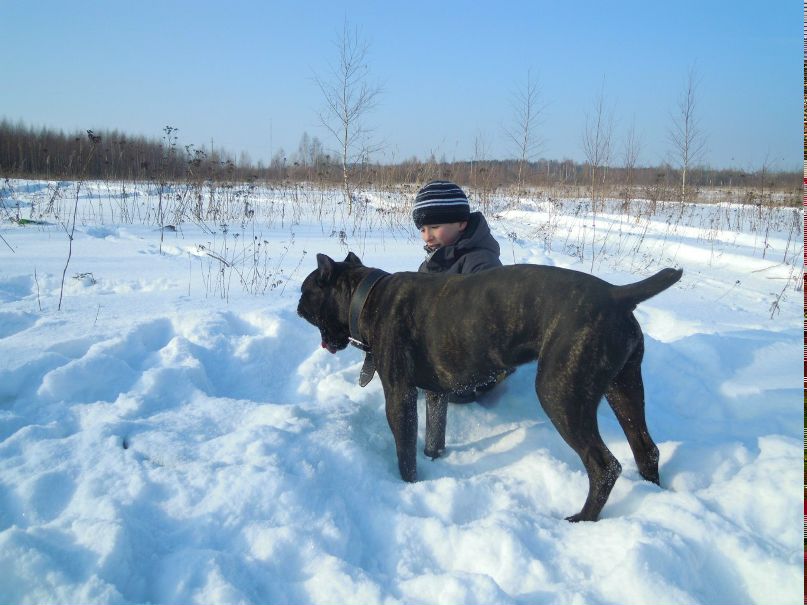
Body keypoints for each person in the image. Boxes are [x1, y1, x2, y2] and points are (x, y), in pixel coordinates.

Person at [412, 179, 513, 402]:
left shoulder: (480, 262)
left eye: (435, 227)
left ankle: (499, 374)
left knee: (456, 389)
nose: (427, 236)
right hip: (444, 340)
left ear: (461, 223)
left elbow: (490, 317)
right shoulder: (431, 263)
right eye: (422, 229)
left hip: (483, 345)